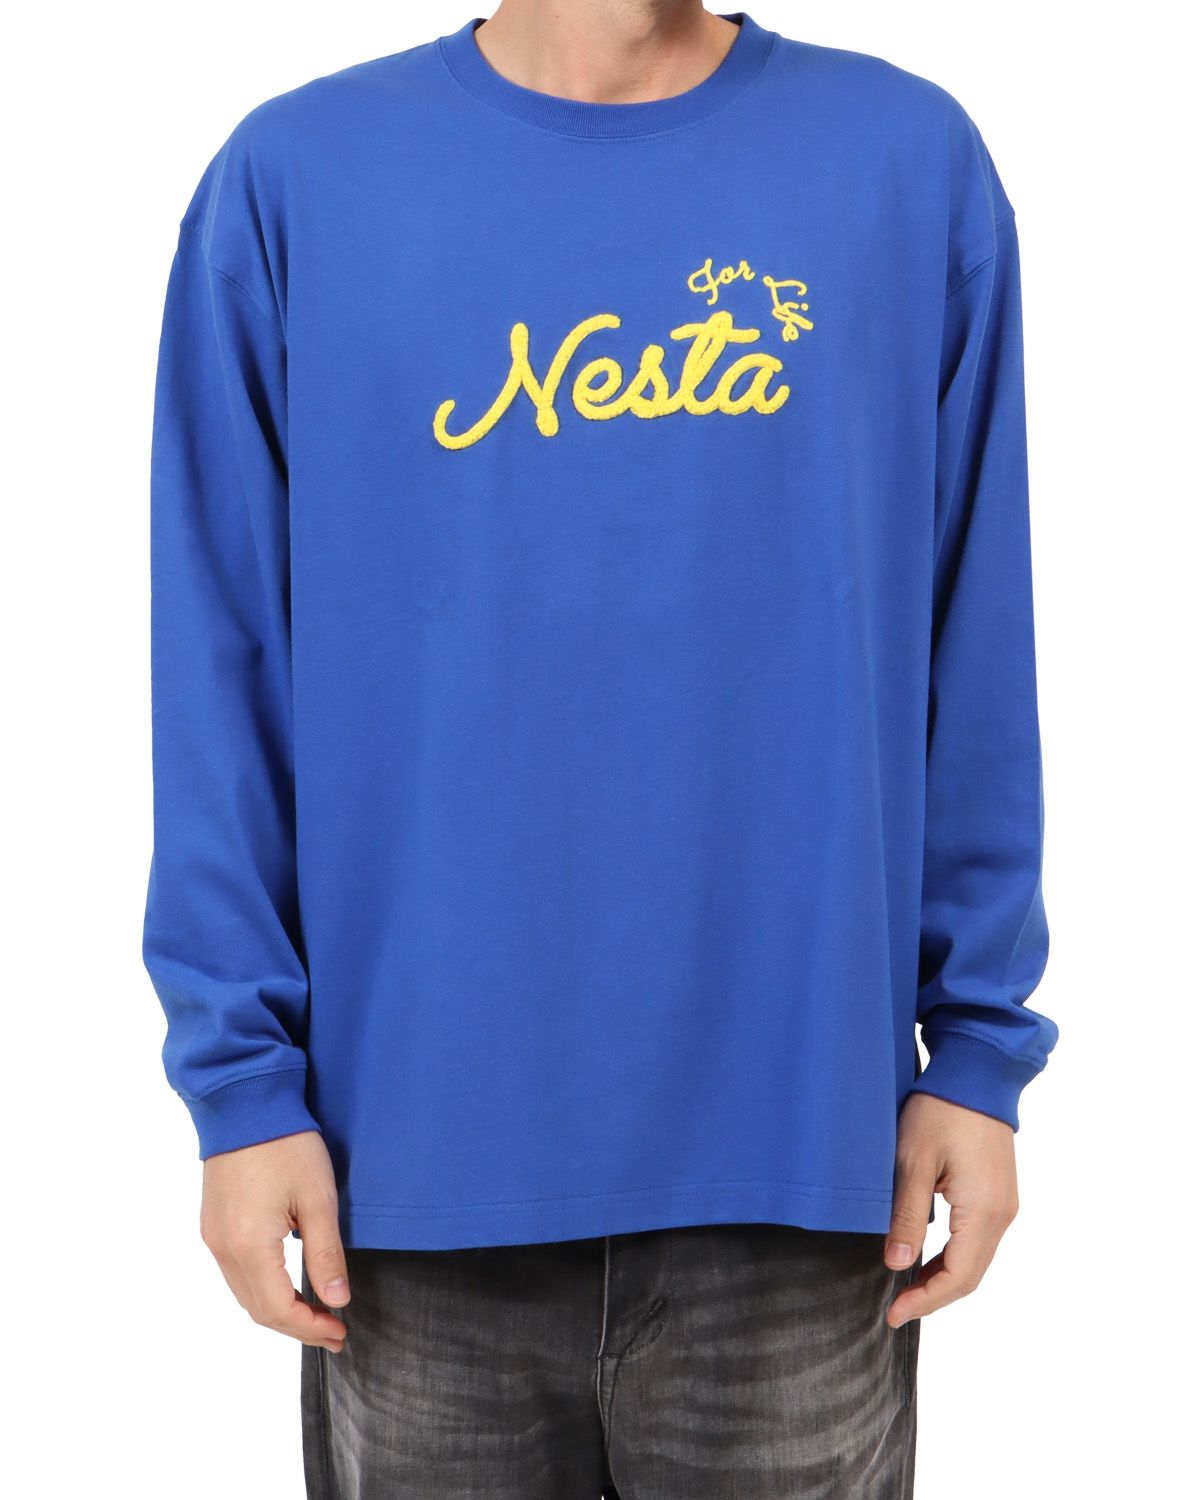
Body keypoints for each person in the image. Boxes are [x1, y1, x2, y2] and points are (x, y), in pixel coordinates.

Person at [142, 4, 1058, 1495]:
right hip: (411, 1176)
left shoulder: (904, 165)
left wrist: (977, 1052)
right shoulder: (298, 180)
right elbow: (221, 656)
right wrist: (239, 1087)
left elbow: (974, 631)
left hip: (805, 1171)